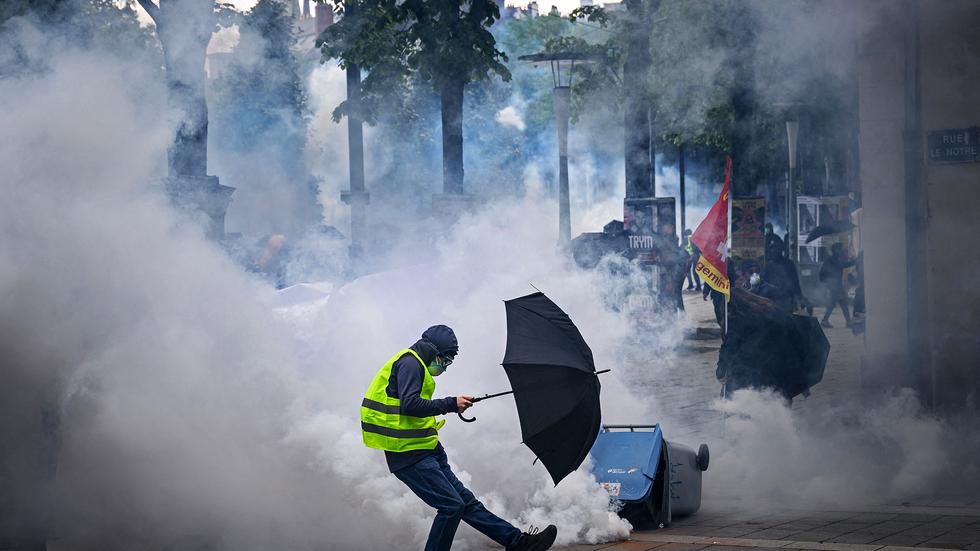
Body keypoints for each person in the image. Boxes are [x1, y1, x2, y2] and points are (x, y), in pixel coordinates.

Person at [361, 325, 557, 551]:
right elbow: (411, 405)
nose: (445, 367)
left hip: (427, 449)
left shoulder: (417, 364)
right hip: (408, 456)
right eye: (445, 360)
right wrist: (451, 403)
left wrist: (454, 405)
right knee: (451, 506)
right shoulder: (410, 364)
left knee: (465, 502)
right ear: (432, 351)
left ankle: (518, 543)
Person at [819, 243, 855, 328]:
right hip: (834, 286)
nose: (842, 251)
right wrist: (855, 261)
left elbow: (845, 264)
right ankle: (848, 322)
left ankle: (825, 320)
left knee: (835, 304)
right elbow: (845, 264)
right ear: (836, 250)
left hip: (835, 285)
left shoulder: (834, 259)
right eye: (840, 249)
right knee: (842, 303)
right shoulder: (832, 260)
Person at [761, 244, 803, 314]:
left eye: (776, 250)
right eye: (772, 250)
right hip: (772, 298)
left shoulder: (789, 264)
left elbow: (795, 282)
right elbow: (762, 278)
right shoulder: (769, 265)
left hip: (786, 298)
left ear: (780, 251)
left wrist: (800, 297)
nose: (774, 252)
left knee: (786, 318)